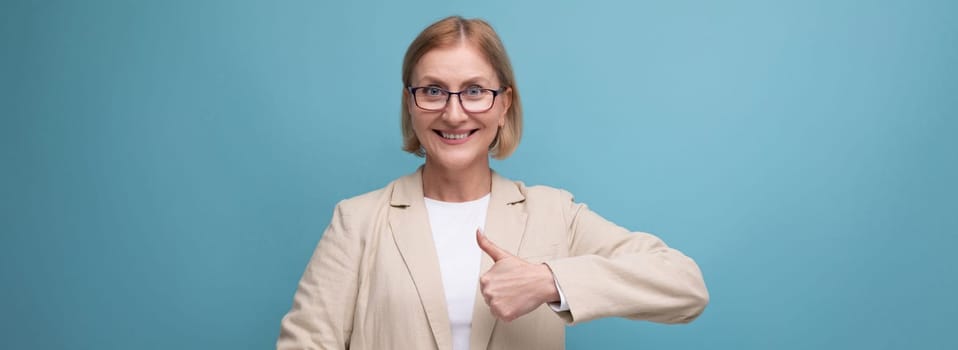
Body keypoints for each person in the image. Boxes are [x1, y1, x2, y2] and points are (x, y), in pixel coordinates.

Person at [277, 15, 709, 350]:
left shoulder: (553, 212)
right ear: (410, 104)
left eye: (474, 90)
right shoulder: (357, 221)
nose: (453, 112)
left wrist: (549, 281)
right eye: (432, 90)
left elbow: (685, 286)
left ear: (504, 104)